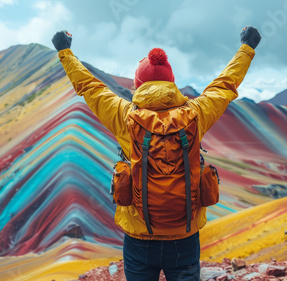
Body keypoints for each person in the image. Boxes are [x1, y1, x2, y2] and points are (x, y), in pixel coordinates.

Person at [52, 26, 260, 281]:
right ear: (171, 82)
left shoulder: (124, 116)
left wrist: (65, 51)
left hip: (139, 236)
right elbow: (225, 85)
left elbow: (90, 87)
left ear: (138, 85)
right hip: (184, 237)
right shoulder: (196, 113)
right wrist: (247, 47)